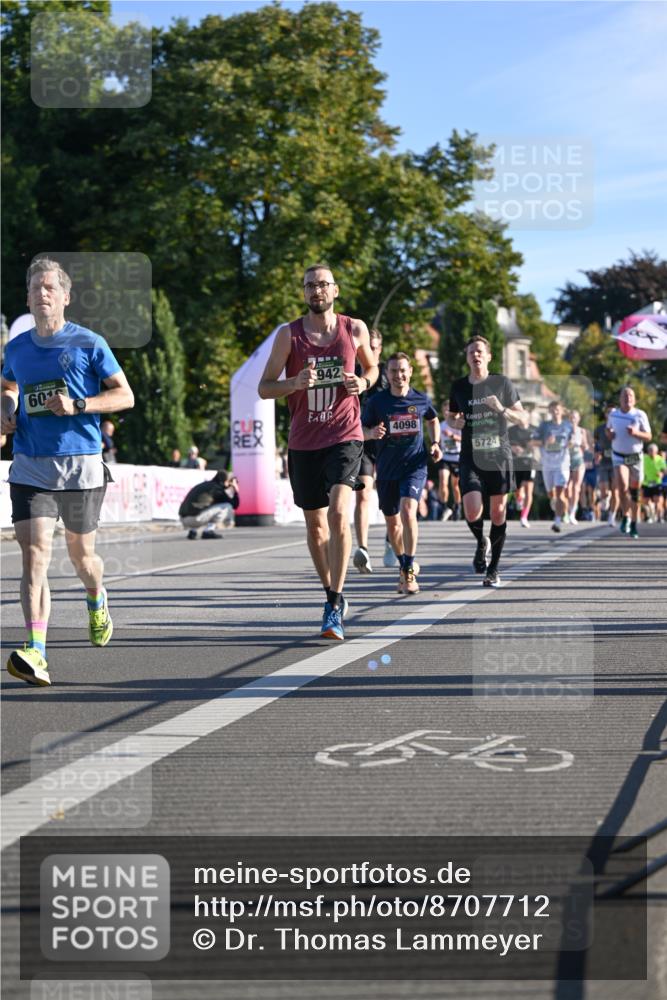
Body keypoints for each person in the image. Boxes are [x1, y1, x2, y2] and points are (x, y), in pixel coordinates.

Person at [0, 258, 134, 686]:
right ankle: (36, 651)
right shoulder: (16, 348)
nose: (42, 294)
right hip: (29, 465)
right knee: (35, 553)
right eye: (36, 287)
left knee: (82, 557)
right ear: (27, 297)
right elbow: (8, 386)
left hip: (80, 465)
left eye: (50, 288)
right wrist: (7, 408)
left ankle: (96, 596)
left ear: (65, 296)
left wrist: (80, 405)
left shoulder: (89, 343)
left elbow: (124, 396)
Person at [258, 263, 378, 640]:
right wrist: (293, 382)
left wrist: (361, 381)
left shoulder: (353, 328)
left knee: (341, 512)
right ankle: (331, 592)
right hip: (304, 440)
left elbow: (372, 372)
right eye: (310, 285)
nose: (317, 291)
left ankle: (334, 601)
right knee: (316, 525)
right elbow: (264, 387)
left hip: (345, 434)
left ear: (335, 290)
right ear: (304, 292)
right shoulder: (288, 336)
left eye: (323, 284)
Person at [447, 335, 528, 587]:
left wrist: (502, 409)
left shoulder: (502, 383)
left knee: (498, 511)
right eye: (471, 352)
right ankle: (481, 541)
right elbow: (450, 416)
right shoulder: (459, 386)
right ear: (467, 357)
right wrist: (454, 422)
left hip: (498, 456)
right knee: (471, 509)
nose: (476, 355)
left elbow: (523, 419)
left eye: (480, 351)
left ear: (489, 356)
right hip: (471, 456)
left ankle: (492, 569)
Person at [362, 352, 441, 594]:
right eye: (394, 371)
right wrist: (372, 433)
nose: (399, 375)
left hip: (414, 467)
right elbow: (360, 429)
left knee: (408, 511)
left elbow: (433, 418)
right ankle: (403, 564)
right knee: (393, 524)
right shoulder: (377, 402)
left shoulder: (420, 399)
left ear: (410, 372)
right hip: (386, 470)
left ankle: (408, 570)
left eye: (403, 370)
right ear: (387, 374)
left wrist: (435, 443)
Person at [352, 328, 386, 574]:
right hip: (361, 443)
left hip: (386, 444)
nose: (370, 351)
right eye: (366, 346)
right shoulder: (351, 373)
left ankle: (391, 538)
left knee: (389, 500)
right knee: (363, 495)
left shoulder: (389, 373)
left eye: (374, 347)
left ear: (380, 349)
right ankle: (362, 548)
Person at [607, 385, 651, 538]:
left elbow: (649, 437)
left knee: (634, 493)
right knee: (622, 486)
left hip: (635, 456)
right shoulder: (613, 415)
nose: (627, 398)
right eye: (624, 396)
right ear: (620, 399)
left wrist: (636, 433)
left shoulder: (640, 415)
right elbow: (608, 431)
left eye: (630, 396)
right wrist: (610, 434)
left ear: (635, 400)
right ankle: (625, 517)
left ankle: (633, 522)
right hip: (619, 455)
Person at [531, 400, 573, 533]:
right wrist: (544, 441)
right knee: (552, 494)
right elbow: (533, 442)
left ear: (562, 411)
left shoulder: (568, 425)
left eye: (558, 410)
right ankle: (561, 508)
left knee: (560, 493)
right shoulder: (544, 426)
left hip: (562, 463)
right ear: (549, 411)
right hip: (547, 463)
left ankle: (557, 521)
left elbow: (573, 441)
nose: (555, 412)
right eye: (553, 410)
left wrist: (570, 444)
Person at [178, 470, 240, 539]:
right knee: (227, 506)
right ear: (225, 480)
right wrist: (236, 490)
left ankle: (193, 531)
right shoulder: (217, 489)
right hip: (195, 519)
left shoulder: (205, 485)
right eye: (229, 481)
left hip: (183, 518)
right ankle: (208, 531)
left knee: (206, 506)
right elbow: (234, 505)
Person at [508, 420, 536, 527]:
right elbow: (503, 443)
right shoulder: (511, 430)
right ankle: (519, 499)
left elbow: (541, 443)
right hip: (516, 462)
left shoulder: (535, 429)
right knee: (518, 490)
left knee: (529, 490)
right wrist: (513, 448)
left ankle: (524, 517)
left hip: (530, 463)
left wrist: (531, 446)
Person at [437, 404, 462, 522]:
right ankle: (444, 507)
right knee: (443, 481)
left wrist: (452, 435)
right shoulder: (440, 425)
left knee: (456, 485)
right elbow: (437, 440)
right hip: (445, 457)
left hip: (457, 458)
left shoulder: (459, 424)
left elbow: (465, 439)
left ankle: (457, 506)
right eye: (444, 410)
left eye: (448, 410)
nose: (446, 412)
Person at [594, 405, 616, 525]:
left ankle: (611, 517)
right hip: (603, 462)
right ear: (606, 415)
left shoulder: (619, 427)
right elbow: (595, 443)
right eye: (609, 413)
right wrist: (597, 453)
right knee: (604, 490)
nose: (611, 415)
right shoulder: (600, 429)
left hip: (616, 463)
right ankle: (605, 497)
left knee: (615, 491)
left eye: (613, 413)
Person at [566, 409, 589, 523]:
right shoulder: (565, 430)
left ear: (578, 419)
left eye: (575, 417)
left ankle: (572, 512)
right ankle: (567, 509)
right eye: (571, 418)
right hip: (566, 461)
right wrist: (568, 443)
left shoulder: (582, 431)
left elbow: (586, 446)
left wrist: (582, 445)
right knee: (567, 487)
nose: (573, 420)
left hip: (578, 459)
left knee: (576, 487)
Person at [642, 443, 666, 523]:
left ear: (656, 451)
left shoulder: (660, 459)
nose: (651, 452)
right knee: (645, 502)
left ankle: (660, 517)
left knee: (658, 501)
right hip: (646, 483)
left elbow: (664, 470)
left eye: (653, 451)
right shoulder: (644, 458)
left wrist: (661, 474)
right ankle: (649, 515)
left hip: (657, 483)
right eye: (650, 450)